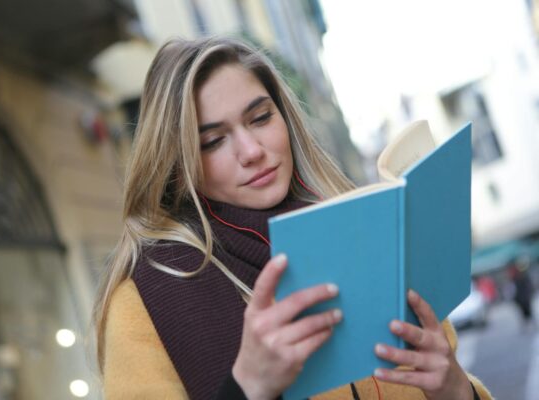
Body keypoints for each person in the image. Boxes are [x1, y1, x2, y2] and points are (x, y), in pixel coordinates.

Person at [92, 36, 492, 399]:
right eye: (213, 141)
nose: (252, 150)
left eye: (261, 118)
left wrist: (456, 389)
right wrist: (248, 386)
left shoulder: (367, 229)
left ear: (285, 118)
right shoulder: (145, 299)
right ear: (178, 166)